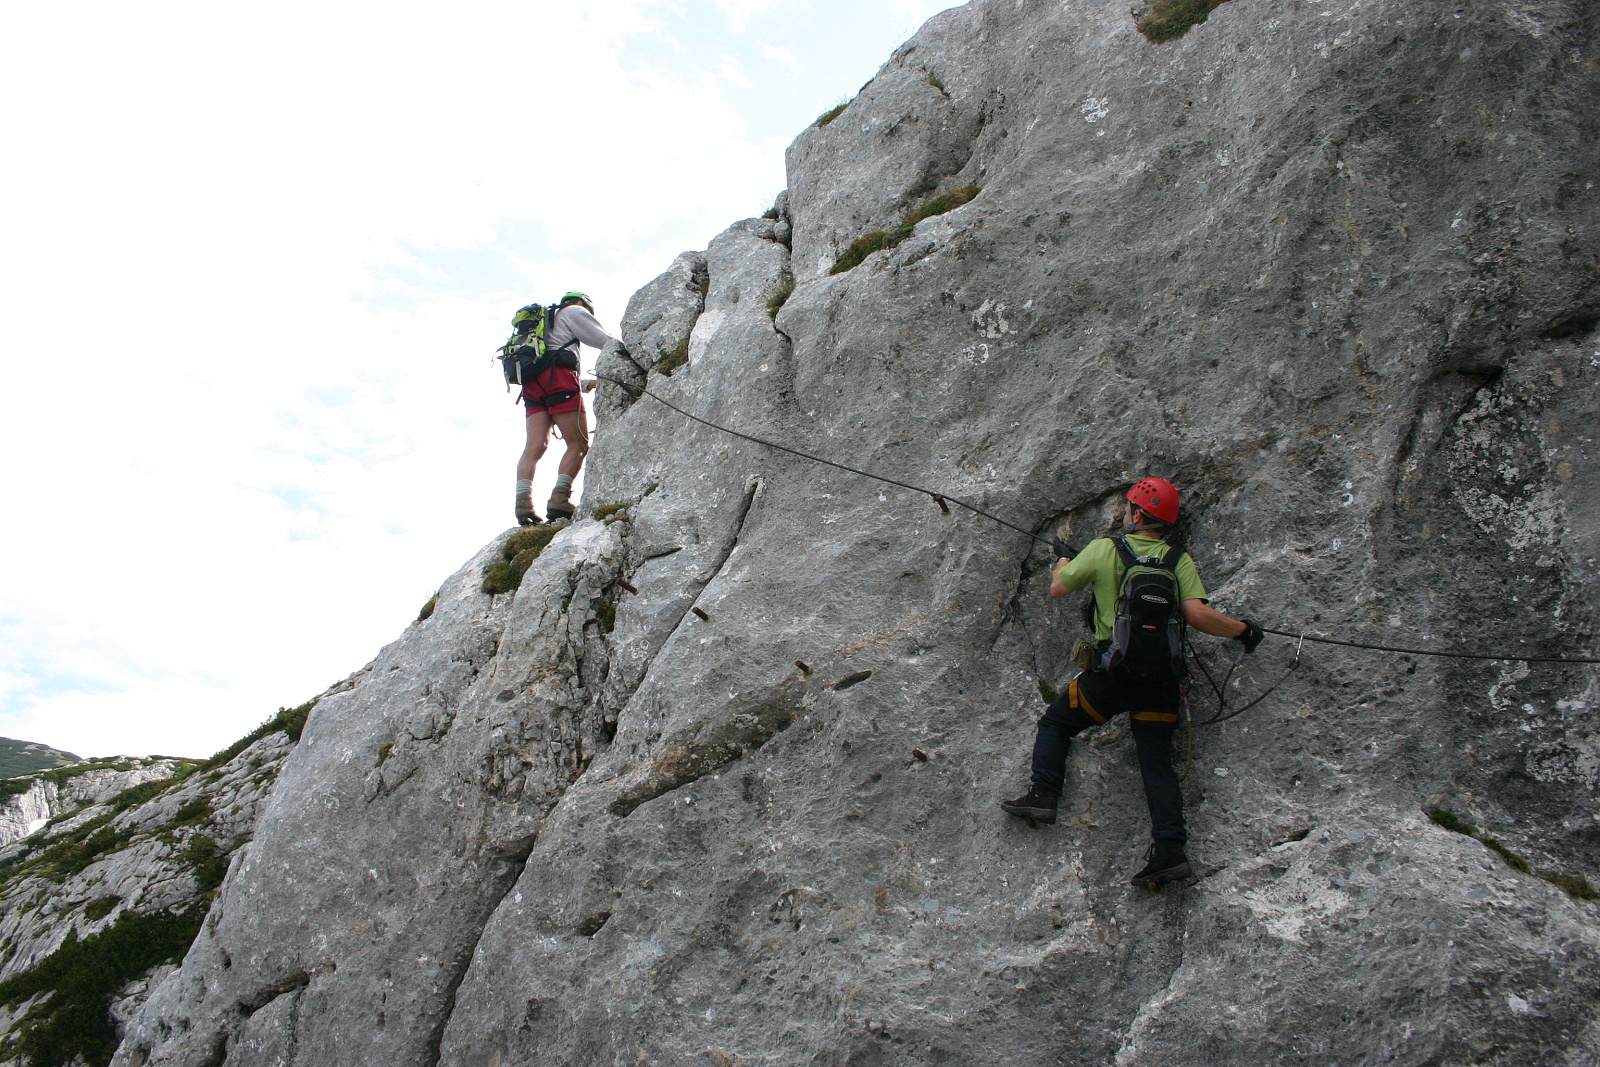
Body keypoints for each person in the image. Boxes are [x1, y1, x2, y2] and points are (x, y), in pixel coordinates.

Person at [1002, 477, 1265, 887]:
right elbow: (1197, 616)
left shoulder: (1105, 549)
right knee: (1156, 762)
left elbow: (1059, 588)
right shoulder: (1178, 560)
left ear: (1138, 514)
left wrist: (1062, 565)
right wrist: (1244, 631)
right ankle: (1170, 851)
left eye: (1128, 508)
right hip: (1161, 683)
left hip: (1113, 678)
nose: (1125, 514)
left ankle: (1043, 796)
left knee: (1056, 722)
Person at [513, 292, 621, 525]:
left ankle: (523, 503)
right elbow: (603, 341)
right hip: (559, 380)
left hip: (532, 386)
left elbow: (547, 362)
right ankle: (559, 499)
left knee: (534, 447)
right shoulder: (573, 311)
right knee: (578, 443)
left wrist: (587, 384)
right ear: (581, 304)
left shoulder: (538, 327)